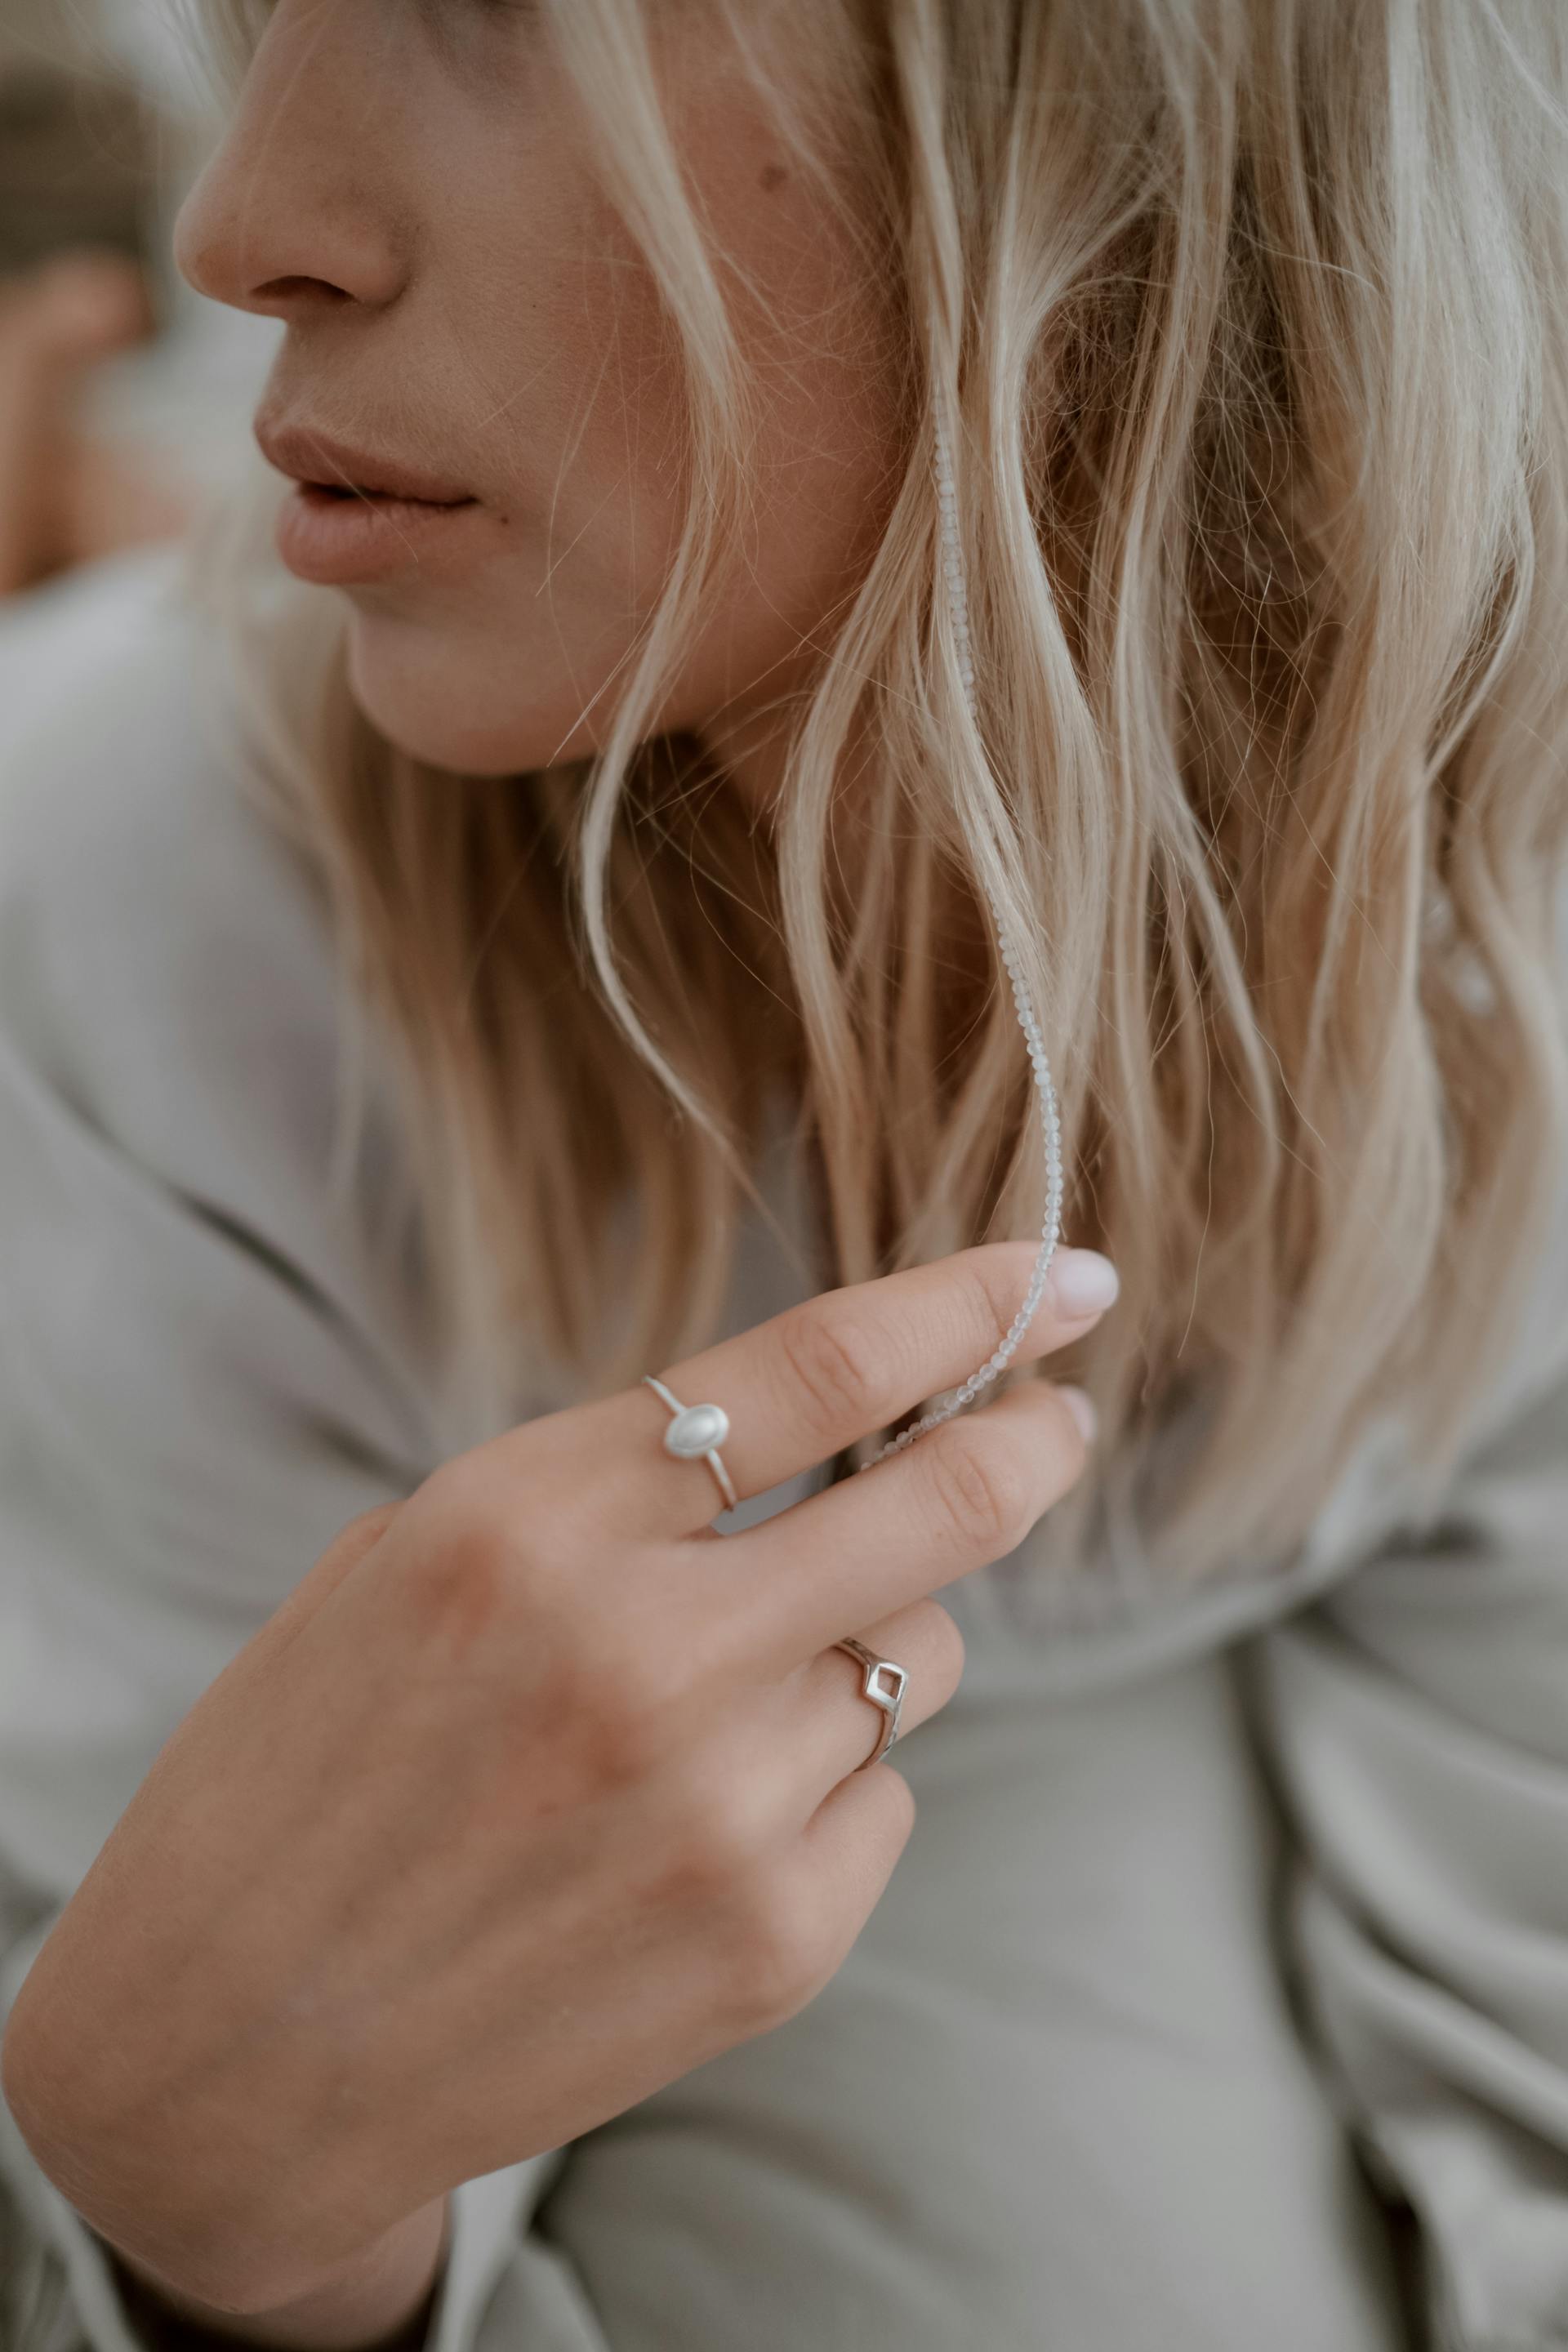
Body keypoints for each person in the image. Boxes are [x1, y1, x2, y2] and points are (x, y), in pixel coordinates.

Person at [2, 2, 1567, 2348]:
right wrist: (228, 2231)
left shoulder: (1501, 864)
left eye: (480, 16)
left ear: (1105, 120)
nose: (244, 230)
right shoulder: (123, 924)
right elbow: (188, 2089)